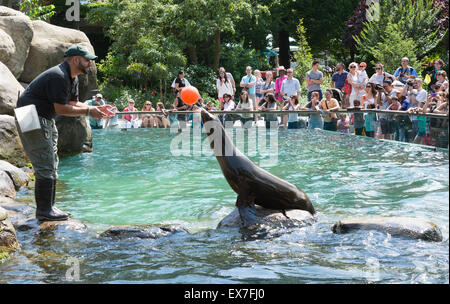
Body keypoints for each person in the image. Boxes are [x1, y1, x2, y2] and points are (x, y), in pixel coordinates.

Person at [15, 44, 113, 221]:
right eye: (87, 60)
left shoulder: (72, 77)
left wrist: (96, 108)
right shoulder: (58, 76)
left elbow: (73, 103)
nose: (90, 63)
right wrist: (89, 112)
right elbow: (61, 108)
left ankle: (49, 207)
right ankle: (44, 211)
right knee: (45, 163)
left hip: (43, 117)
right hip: (30, 116)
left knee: (52, 161)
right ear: (75, 59)